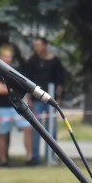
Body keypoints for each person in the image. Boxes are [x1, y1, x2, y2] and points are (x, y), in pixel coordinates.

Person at [22, 36, 67, 165]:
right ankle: (35, 157)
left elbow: (60, 80)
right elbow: (27, 81)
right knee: (36, 128)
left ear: (45, 46)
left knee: (51, 129)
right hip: (36, 100)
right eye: (35, 46)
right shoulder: (32, 61)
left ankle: (50, 156)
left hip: (50, 99)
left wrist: (58, 97)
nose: (36, 48)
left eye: (38, 45)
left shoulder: (55, 61)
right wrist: (29, 99)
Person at [0, 44, 30, 167]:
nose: (8, 59)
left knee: (28, 128)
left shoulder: (13, 71)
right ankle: (3, 161)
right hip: (2, 108)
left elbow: (22, 86)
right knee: (2, 134)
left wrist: (8, 88)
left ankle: (30, 158)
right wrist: (13, 89)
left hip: (17, 106)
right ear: (0, 57)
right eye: (5, 56)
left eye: (9, 56)